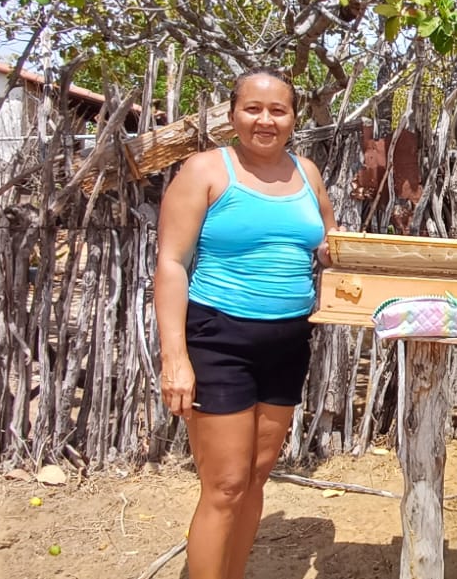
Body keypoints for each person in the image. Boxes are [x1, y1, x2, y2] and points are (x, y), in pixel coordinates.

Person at [153, 68, 338, 579]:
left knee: (256, 477)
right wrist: (175, 358)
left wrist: (335, 250)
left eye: (278, 110)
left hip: (288, 342)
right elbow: (171, 263)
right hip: (219, 339)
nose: (265, 120)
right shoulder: (206, 171)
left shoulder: (307, 174)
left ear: (294, 118)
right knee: (225, 485)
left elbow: (330, 244)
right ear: (232, 114)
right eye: (253, 109)